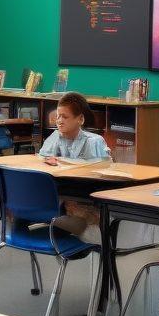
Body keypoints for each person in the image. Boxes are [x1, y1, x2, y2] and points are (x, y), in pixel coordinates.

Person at [38, 92, 110, 242]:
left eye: (65, 117)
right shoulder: (54, 137)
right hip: (61, 193)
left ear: (80, 119)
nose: (59, 121)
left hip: (85, 195)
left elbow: (104, 172)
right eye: (58, 116)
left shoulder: (94, 142)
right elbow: (41, 160)